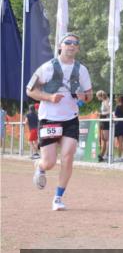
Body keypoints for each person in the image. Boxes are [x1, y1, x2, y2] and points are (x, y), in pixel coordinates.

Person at [25, 32, 94, 210]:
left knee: (68, 157)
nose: (72, 45)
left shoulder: (82, 70)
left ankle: (58, 197)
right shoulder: (46, 68)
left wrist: (83, 97)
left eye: (75, 43)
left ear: (78, 48)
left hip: (70, 119)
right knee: (49, 162)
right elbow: (30, 90)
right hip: (49, 120)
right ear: (60, 46)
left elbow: (89, 95)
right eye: (68, 42)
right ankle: (39, 166)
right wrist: (48, 97)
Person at [96, 90, 110, 162]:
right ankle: (102, 154)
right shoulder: (103, 102)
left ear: (101, 96)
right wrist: (100, 114)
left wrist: (100, 114)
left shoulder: (107, 101)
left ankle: (106, 154)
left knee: (106, 139)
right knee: (104, 139)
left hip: (106, 121)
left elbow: (109, 111)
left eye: (98, 97)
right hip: (103, 121)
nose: (97, 98)